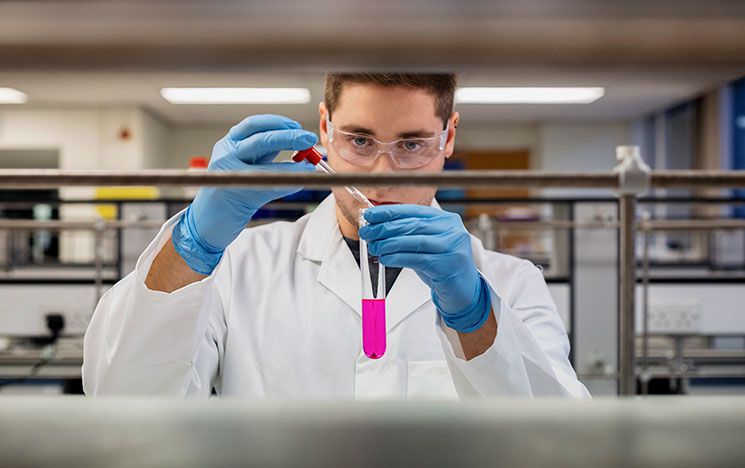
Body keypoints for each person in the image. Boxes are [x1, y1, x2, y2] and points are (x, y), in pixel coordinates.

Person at [83, 73, 590, 399]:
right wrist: (195, 241)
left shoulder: (510, 282)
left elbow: (557, 443)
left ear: (448, 136)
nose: (382, 171)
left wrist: (474, 314)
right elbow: (123, 397)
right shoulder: (241, 266)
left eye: (412, 143)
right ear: (325, 128)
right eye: (360, 139)